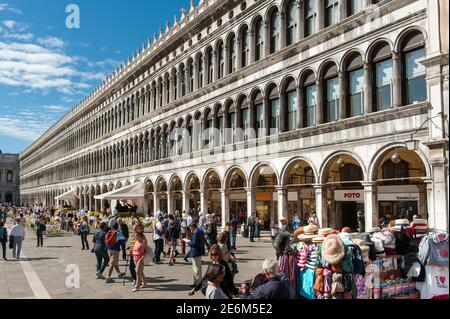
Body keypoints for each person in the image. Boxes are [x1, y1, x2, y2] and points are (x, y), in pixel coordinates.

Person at [186, 221, 205, 287]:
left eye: (191, 228)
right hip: (196, 252)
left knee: (197, 268)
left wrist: (188, 242)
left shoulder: (197, 233)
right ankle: (196, 282)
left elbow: (194, 243)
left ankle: (198, 283)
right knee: (196, 268)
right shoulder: (197, 231)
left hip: (196, 252)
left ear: (193, 227)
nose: (190, 230)